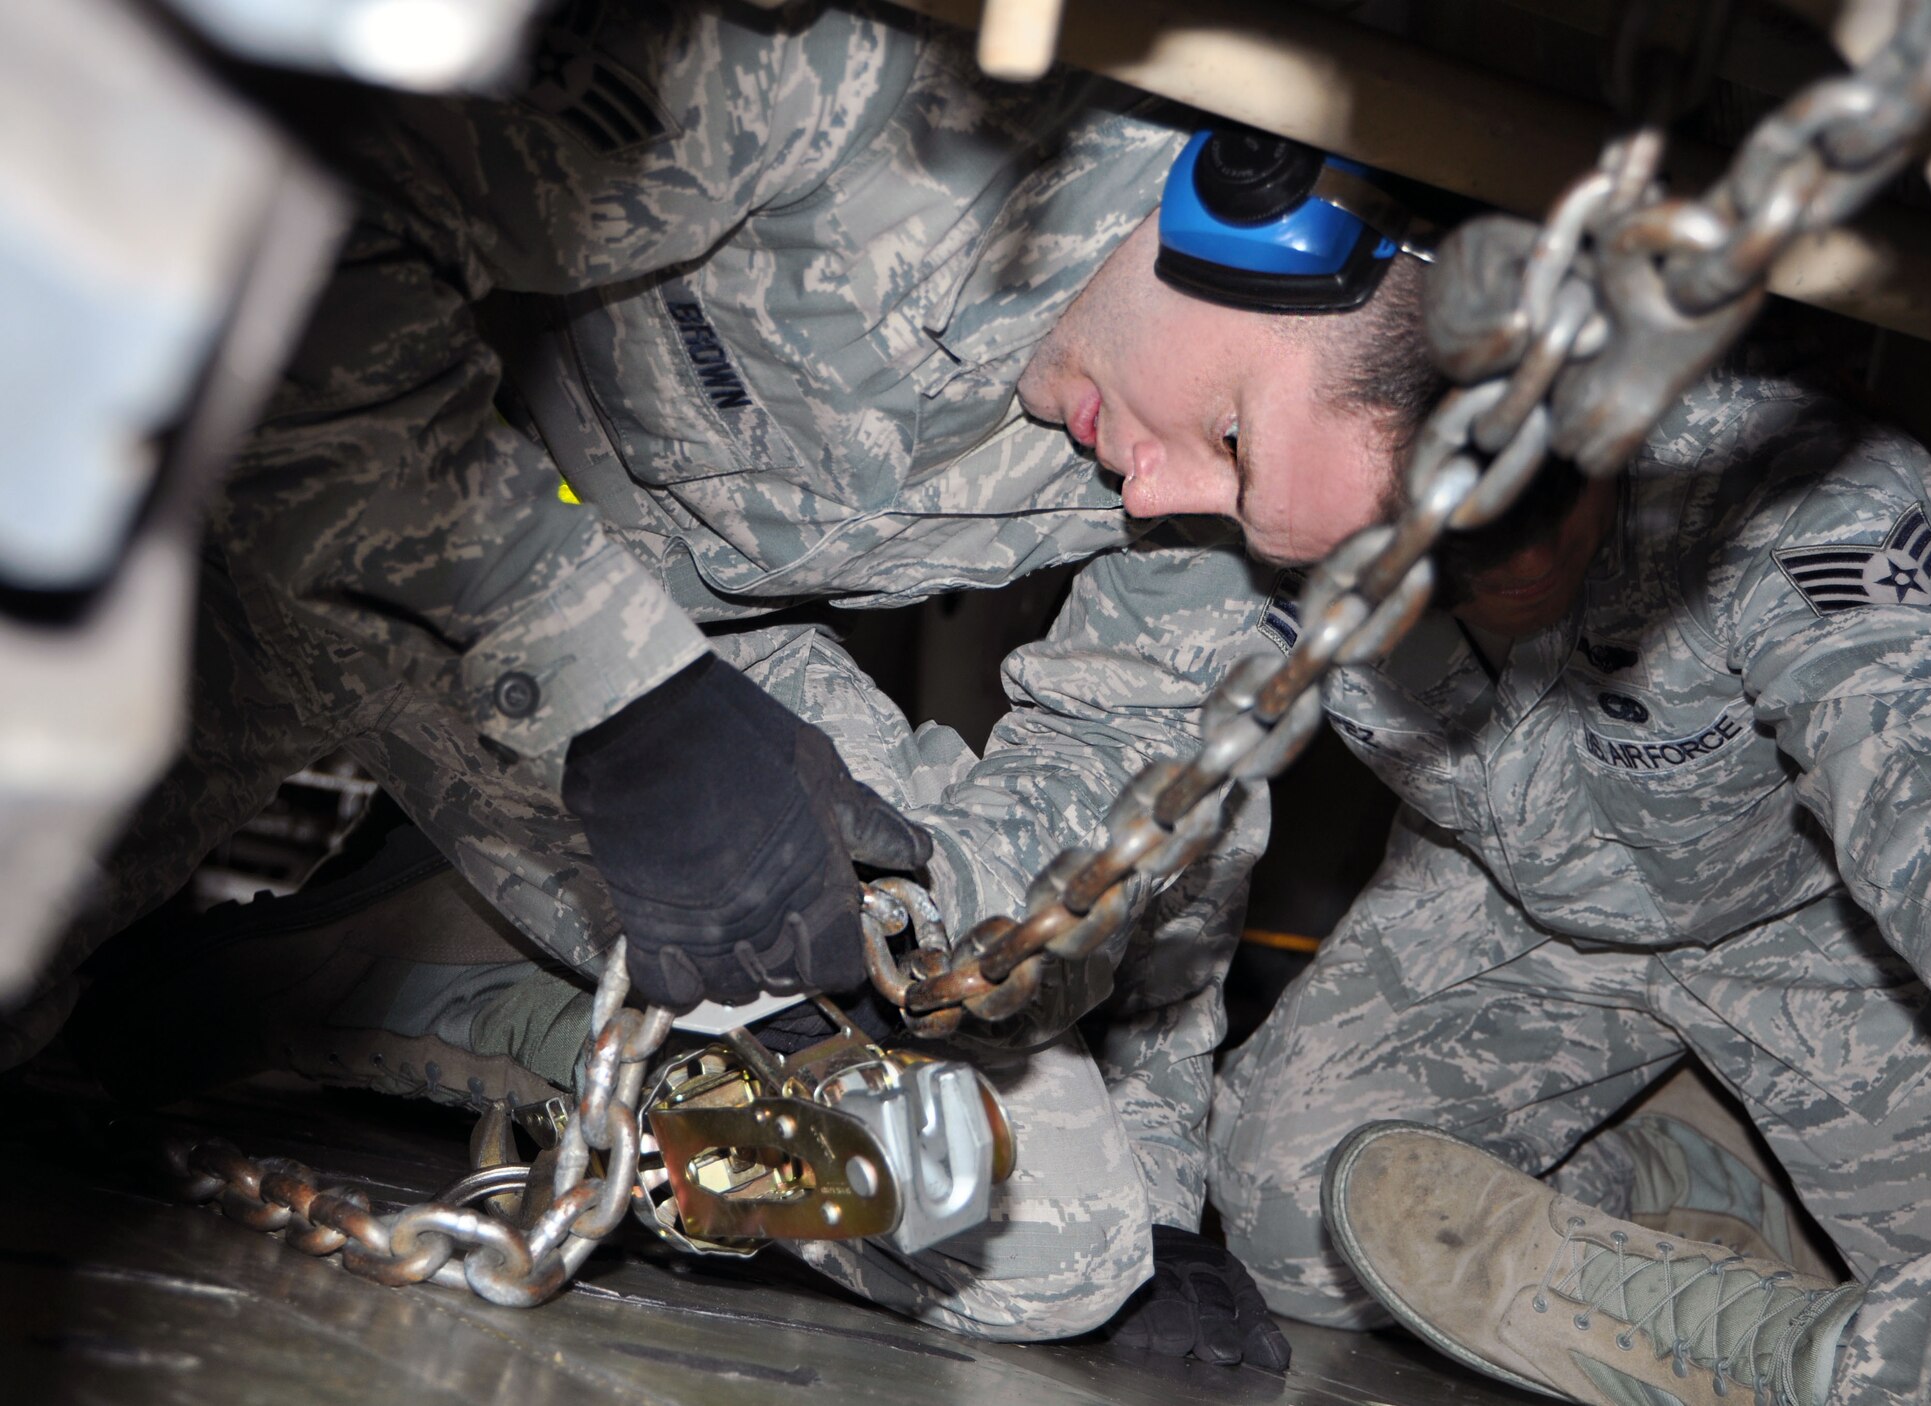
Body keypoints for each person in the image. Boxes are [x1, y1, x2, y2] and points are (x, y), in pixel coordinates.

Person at [32, 0, 1434, 1364]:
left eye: (1237, 504)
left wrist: (932, 951)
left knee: (1045, 1234)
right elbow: (303, 263)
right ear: (1244, 205)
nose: (1159, 494)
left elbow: (1140, 798)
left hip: (691, 667)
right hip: (293, 512)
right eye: (1232, 434)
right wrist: (620, 696)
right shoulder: (863, 81)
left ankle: (433, 956)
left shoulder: (1219, 496)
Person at [1208, 320, 1931, 1402]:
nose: (1528, 558)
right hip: (1498, 906)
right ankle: (1683, 1167)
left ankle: (1763, 1223)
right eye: (1475, 534)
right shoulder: (1292, 473)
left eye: (1554, 500)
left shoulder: (1781, 473)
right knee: (1294, 1220)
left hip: (1808, 927)